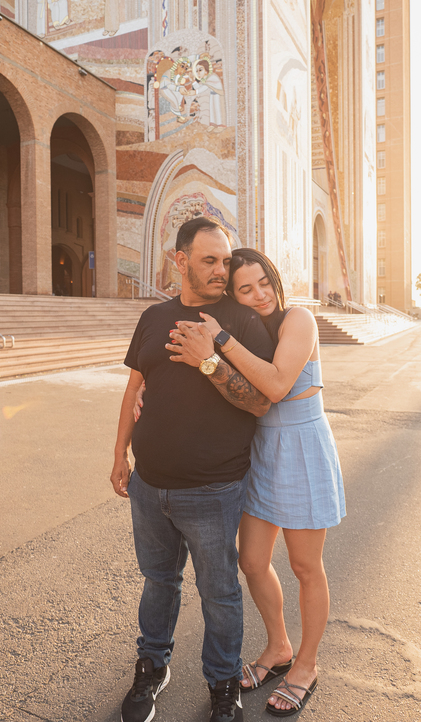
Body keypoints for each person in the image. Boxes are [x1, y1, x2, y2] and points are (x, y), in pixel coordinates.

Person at [167, 248, 345, 717]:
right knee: (251, 561)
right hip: (261, 451)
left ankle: (306, 664)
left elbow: (276, 384)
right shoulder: (250, 328)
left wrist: (221, 336)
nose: (259, 294)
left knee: (306, 567)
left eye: (264, 282)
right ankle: (279, 647)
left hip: (302, 448)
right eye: (245, 288)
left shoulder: (298, 320)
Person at [112, 216, 275, 722]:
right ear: (179, 260)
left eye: (225, 261)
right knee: (158, 582)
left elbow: (259, 403)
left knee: (219, 592)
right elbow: (135, 387)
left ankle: (222, 684)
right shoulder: (153, 317)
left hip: (213, 489)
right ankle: (152, 666)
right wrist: (119, 453)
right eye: (209, 261)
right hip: (149, 484)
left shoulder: (240, 322)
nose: (221, 271)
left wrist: (211, 359)